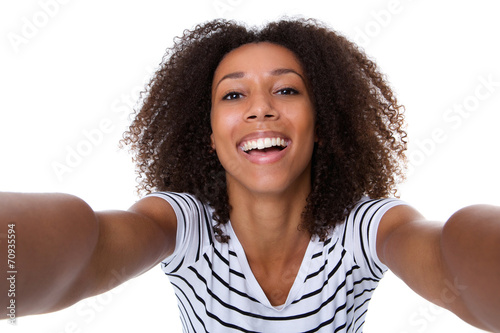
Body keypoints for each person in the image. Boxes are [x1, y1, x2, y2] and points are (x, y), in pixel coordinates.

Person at [1, 18, 499, 332]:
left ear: (322, 124)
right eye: (234, 95)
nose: (260, 109)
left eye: (286, 91)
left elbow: (447, 255)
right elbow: (87, 246)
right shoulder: (181, 225)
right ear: (210, 135)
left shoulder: (366, 229)